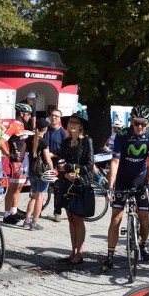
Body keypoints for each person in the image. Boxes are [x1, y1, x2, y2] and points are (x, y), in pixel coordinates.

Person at [103, 105, 149, 272]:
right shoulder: (122, 135)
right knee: (115, 219)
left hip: (141, 180)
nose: (140, 127)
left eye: (143, 124)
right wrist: (110, 187)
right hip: (123, 179)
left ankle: (143, 246)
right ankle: (110, 255)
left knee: (144, 216)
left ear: (148, 123)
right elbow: (115, 161)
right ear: (131, 122)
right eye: (136, 123)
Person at [53, 112, 93, 264]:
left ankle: (79, 252)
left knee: (78, 218)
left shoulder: (87, 141)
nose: (72, 125)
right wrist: (64, 172)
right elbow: (60, 161)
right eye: (70, 122)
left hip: (80, 184)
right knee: (70, 218)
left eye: (75, 122)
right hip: (67, 183)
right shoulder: (65, 142)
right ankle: (72, 251)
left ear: (81, 126)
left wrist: (71, 169)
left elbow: (89, 165)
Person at [0, 102, 33, 224]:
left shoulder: (21, 125)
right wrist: (8, 155)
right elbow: (1, 142)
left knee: (16, 188)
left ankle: (11, 212)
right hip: (16, 162)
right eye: (28, 114)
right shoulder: (14, 125)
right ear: (22, 114)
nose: (29, 116)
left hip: (22, 160)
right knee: (15, 188)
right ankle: (9, 213)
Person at [23, 118, 55, 230]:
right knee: (40, 197)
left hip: (32, 170)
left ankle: (27, 219)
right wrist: (52, 169)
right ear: (45, 129)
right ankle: (34, 222)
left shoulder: (29, 139)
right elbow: (47, 159)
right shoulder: (44, 141)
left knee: (34, 196)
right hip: (42, 172)